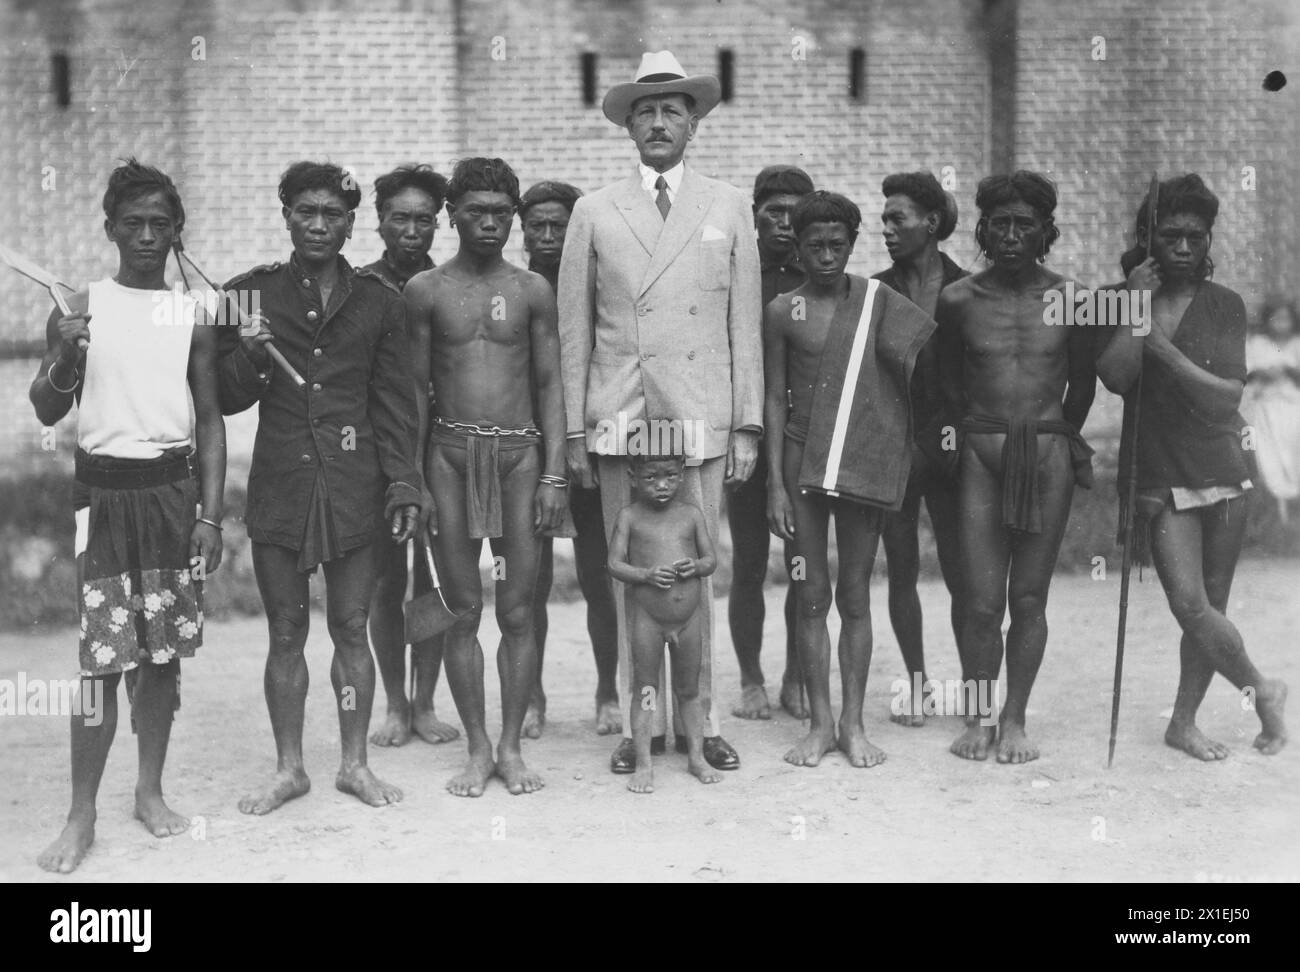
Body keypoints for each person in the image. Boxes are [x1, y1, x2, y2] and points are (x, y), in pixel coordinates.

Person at [558, 50, 761, 775]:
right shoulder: (594, 209)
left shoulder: (729, 204)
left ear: (693, 121)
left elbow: (744, 325)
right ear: (628, 125)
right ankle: (637, 725)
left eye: (673, 109)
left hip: (699, 415)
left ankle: (699, 723)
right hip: (624, 414)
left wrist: (746, 424)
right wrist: (577, 431)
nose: (658, 121)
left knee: (697, 571)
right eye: (645, 110)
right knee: (631, 574)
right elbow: (575, 326)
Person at [33, 159, 225, 872]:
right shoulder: (80, 305)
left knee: (163, 657)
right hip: (102, 500)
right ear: (110, 229)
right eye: (133, 223)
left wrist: (212, 516)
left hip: (173, 498)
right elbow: (47, 407)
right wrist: (61, 352)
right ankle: (80, 814)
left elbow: (210, 422)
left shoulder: (193, 315)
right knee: (101, 662)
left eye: (160, 224)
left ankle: (149, 792)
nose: (146, 235)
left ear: (178, 232)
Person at [217, 161, 424, 813]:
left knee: (353, 626)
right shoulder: (247, 296)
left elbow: (394, 403)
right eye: (305, 211)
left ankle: (355, 765)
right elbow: (222, 399)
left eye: (332, 214)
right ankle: (289, 769)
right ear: (285, 215)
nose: (317, 224)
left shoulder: (378, 301)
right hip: (281, 483)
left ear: (350, 223)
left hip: (355, 486)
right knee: (284, 631)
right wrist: (247, 355)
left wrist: (404, 484)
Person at [1096, 173, 1287, 759]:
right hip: (1157, 470)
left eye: (1196, 237)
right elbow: (1115, 377)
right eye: (1171, 235)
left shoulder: (1226, 304)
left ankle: (1183, 721)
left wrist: (1164, 350)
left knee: (1212, 605)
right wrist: (1134, 309)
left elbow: (1224, 396)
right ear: (1148, 238)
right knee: (1190, 605)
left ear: (1209, 242)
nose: (1183, 247)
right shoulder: (1121, 296)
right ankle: (1264, 690)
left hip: (1222, 468)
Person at [404, 157, 568, 797]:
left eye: (503, 212)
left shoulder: (532, 290)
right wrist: (413, 479)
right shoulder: (426, 290)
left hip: (520, 458)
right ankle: (476, 748)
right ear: (452, 215)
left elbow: (551, 382)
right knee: (460, 610)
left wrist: (555, 473)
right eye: (477, 211)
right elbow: (416, 391)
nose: (491, 223)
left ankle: (510, 747)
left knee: (520, 609)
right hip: (448, 457)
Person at [936, 171, 1096, 763]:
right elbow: (949, 381)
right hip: (981, 452)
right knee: (981, 602)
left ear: (1046, 232)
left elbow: (1082, 382)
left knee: (1029, 598)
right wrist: (968, 438)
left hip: (1046, 454)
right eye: (999, 224)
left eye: (1023, 224)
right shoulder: (958, 300)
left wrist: (1059, 436)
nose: (1009, 235)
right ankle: (979, 716)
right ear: (982, 229)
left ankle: (1015, 719)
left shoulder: (1070, 298)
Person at [767, 191, 930, 768]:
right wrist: (775, 488)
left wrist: (898, 444)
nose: (827, 256)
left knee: (855, 594)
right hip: (802, 462)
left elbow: (918, 370)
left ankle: (853, 725)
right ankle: (818, 725)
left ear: (853, 243)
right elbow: (774, 401)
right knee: (811, 595)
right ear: (798, 247)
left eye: (838, 245)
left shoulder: (877, 302)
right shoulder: (786, 310)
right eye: (815, 246)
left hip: (860, 459)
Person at [362, 163, 461, 749]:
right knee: (383, 581)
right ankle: (395, 704)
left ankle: (425, 704)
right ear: (379, 222)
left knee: (435, 579)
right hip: (376, 452)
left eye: (424, 219)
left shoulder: (449, 284)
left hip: (439, 448)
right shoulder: (360, 287)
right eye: (400, 217)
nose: (412, 229)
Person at [518, 179, 621, 738]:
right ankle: (531, 697)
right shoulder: (513, 286)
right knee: (528, 581)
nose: (551, 236)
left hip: (588, 445)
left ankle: (608, 691)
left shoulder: (598, 288)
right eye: (539, 226)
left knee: (599, 576)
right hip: (528, 445)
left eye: (561, 226)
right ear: (523, 229)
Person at [873, 171, 967, 726]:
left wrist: (949, 444)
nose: (886, 229)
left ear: (931, 223)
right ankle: (916, 684)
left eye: (897, 219)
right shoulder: (875, 292)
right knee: (901, 568)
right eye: (884, 220)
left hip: (955, 455)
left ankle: (975, 689)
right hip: (897, 453)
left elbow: (975, 378)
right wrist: (899, 445)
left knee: (963, 573)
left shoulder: (967, 289)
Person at [727, 165, 812, 721]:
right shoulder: (737, 276)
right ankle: (750, 678)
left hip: (804, 438)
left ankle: (795, 675)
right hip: (749, 437)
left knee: (804, 564)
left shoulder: (818, 278)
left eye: (793, 215)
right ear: (754, 217)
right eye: (772, 214)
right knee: (750, 564)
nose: (783, 225)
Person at [607, 452, 721, 792]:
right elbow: (614, 564)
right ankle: (643, 764)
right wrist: (644, 574)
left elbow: (711, 558)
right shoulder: (629, 518)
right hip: (648, 619)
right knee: (646, 688)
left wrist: (697, 567)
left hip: (689, 618)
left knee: (689, 689)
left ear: (682, 475)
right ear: (632, 477)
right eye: (651, 478)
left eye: (670, 476)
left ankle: (697, 756)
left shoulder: (691, 515)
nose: (661, 486)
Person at [1242, 296, 1300, 521]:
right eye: (1276, 319)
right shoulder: (1257, 343)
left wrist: (1288, 370)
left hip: (1293, 406)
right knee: (1270, 455)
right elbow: (1248, 371)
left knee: (1293, 451)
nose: (1281, 324)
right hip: (1267, 407)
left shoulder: (1297, 343)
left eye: (1286, 319)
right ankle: (1278, 510)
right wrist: (1263, 373)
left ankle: (1292, 507)